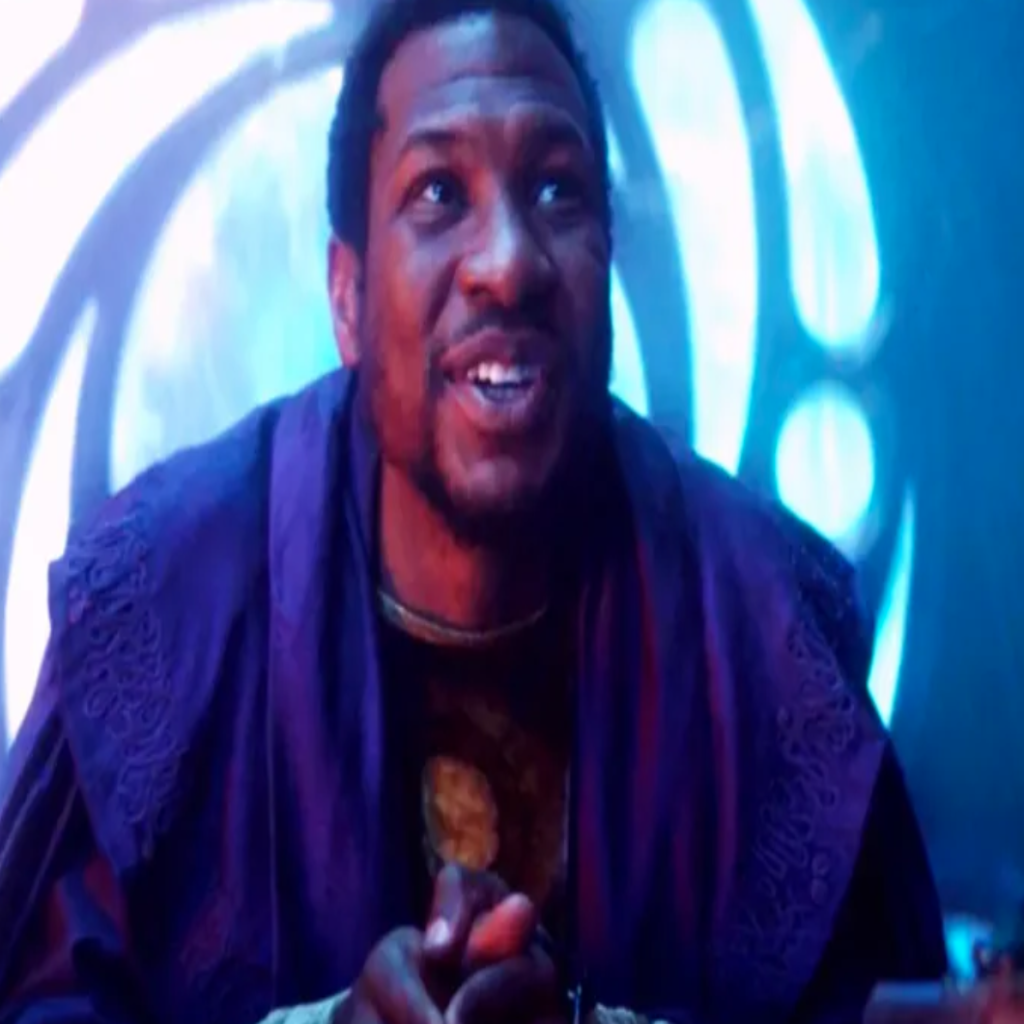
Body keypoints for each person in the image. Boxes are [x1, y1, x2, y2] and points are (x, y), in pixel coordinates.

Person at [0, 0, 950, 1022]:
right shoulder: (164, 598)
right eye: (439, 192)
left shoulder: (767, 627)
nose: (509, 262)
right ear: (347, 298)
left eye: (557, 189)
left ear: (607, 257)